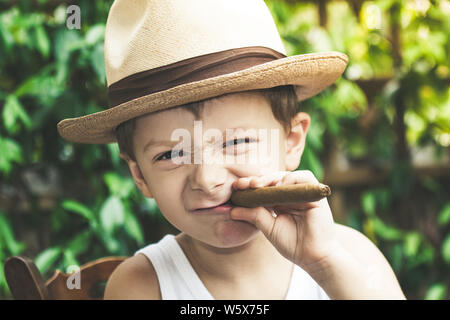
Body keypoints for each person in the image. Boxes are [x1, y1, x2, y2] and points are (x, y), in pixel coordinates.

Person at [57, 0, 406, 300]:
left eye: (237, 143)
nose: (207, 181)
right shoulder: (142, 286)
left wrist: (326, 265)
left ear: (291, 141)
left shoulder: (352, 259)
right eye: (171, 154)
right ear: (139, 175)